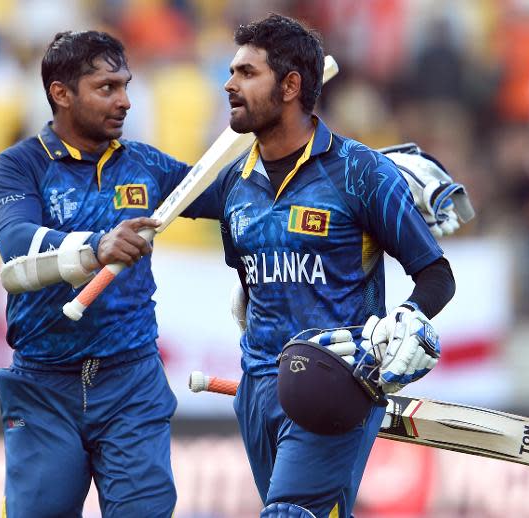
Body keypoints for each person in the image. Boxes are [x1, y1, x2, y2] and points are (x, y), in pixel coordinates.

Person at [214, 14, 457, 517]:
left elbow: (437, 274)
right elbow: (250, 281)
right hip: (257, 389)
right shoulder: (235, 184)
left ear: (291, 85)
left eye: (245, 72)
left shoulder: (359, 171)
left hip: (335, 382)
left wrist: (405, 319)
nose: (229, 83)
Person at [0, 31, 221, 517]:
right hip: (44, 385)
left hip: (131, 381)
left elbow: (239, 199)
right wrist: (96, 247)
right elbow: (14, 243)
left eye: (126, 85)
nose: (126, 101)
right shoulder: (18, 166)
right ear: (61, 93)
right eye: (107, 87)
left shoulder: (146, 165)